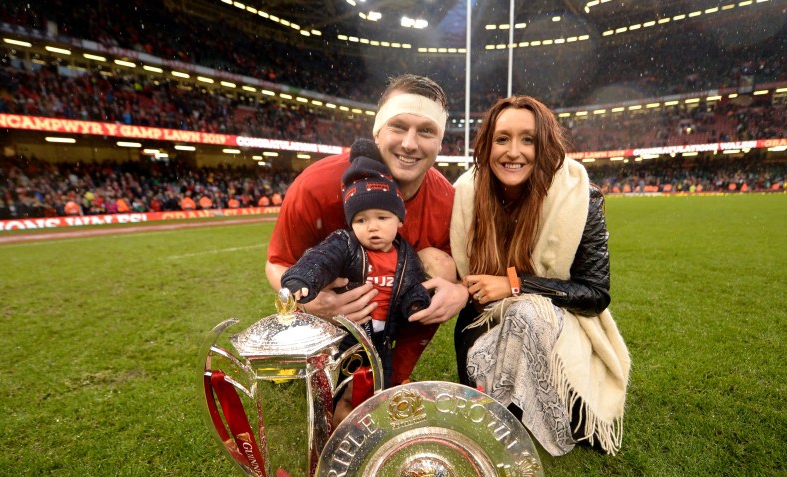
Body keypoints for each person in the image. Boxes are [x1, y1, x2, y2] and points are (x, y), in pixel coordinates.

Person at [450, 96, 631, 456]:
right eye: (502, 139)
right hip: (482, 326)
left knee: (527, 311)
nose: (513, 151)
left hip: (554, 325)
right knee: (521, 315)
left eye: (527, 139)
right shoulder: (465, 195)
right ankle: (503, 408)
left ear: (545, 144)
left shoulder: (580, 198)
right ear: (487, 145)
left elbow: (595, 293)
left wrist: (515, 285)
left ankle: (540, 413)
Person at [266, 75, 469, 387]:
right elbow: (277, 262)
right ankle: (313, 364)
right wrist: (311, 303)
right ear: (378, 131)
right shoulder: (317, 185)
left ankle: (390, 376)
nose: (410, 143)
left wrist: (459, 291)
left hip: (391, 308)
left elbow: (458, 275)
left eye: (426, 131)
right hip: (325, 301)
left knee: (439, 264)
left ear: (441, 143)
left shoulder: (446, 200)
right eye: (398, 126)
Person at [281, 139, 431, 420]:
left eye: (382, 217)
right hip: (348, 336)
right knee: (344, 383)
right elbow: (320, 260)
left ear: (400, 219)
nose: (372, 227)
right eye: (361, 220)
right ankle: (336, 422)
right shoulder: (345, 244)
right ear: (351, 224)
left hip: (385, 337)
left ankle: (375, 418)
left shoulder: (405, 255)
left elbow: (412, 283)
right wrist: (302, 279)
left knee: (380, 381)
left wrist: (416, 301)